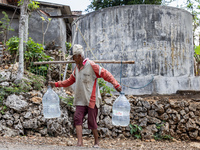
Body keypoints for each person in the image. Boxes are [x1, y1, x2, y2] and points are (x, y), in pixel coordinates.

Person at [49, 44, 122, 148]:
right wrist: (56, 84)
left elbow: (106, 74)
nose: (73, 60)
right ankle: (80, 142)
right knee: (77, 118)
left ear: (79, 56)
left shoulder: (92, 66)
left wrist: (116, 84)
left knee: (92, 122)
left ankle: (96, 141)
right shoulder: (76, 69)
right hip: (80, 99)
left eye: (74, 57)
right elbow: (69, 81)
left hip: (91, 99)